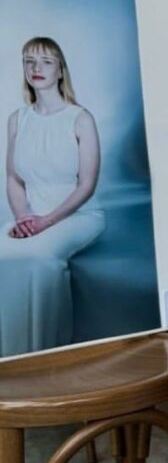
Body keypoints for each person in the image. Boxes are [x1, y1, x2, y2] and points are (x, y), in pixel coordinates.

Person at [0, 37, 105, 356]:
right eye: (29, 61)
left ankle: (50, 352)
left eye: (46, 61)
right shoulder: (17, 119)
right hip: (30, 215)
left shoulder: (80, 118)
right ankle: (10, 355)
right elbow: (13, 178)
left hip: (79, 216)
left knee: (41, 257)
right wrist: (23, 217)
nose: (36, 67)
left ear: (60, 70)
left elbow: (86, 185)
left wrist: (45, 222)